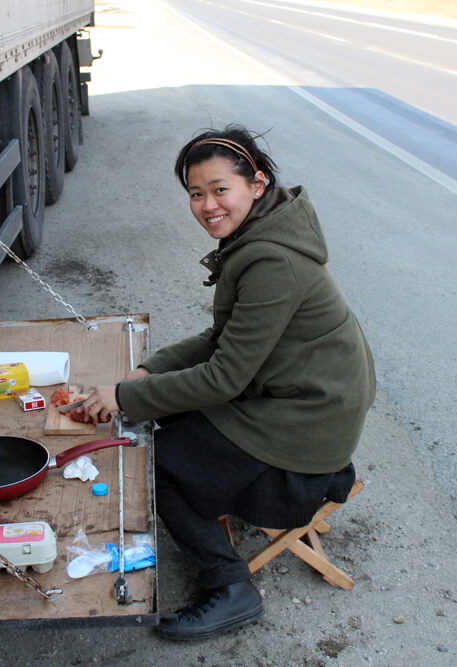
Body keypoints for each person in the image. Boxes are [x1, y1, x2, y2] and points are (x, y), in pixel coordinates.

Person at [73, 124, 376, 641]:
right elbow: (224, 339)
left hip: (307, 424)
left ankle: (230, 585)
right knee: (168, 414)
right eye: (196, 192)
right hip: (297, 399)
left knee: (156, 464)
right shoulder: (260, 236)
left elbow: (224, 377)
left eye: (221, 189)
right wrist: (149, 372)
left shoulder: (273, 259)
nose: (208, 204)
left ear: (256, 185)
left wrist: (123, 397)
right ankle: (215, 508)